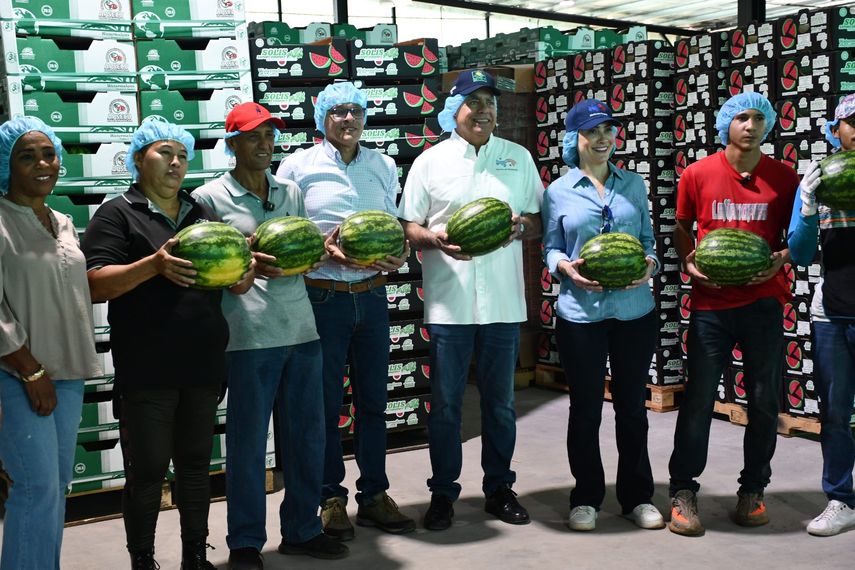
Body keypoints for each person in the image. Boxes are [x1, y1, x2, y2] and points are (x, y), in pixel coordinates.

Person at [82, 119, 252, 570]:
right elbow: (95, 284)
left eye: (182, 155)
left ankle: (195, 555)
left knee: (196, 466)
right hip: (147, 367)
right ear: (139, 158)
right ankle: (144, 559)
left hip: (202, 363)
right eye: (164, 153)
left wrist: (247, 267)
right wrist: (153, 265)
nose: (176, 163)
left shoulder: (200, 212)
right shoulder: (117, 213)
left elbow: (233, 282)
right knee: (148, 471)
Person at [193, 102, 348, 568]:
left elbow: (302, 250)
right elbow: (207, 266)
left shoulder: (290, 191)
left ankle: (302, 528)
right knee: (247, 444)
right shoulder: (209, 198)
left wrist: (325, 252)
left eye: (269, 137)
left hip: (301, 329)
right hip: (247, 335)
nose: (264, 145)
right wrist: (244, 257)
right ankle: (244, 541)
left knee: (307, 437)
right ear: (232, 143)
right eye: (253, 137)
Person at [397, 69, 542, 530]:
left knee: (500, 403)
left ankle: (499, 488)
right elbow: (408, 227)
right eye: (473, 102)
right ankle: (443, 494)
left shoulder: (517, 158)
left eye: (490, 103)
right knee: (447, 403)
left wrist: (521, 227)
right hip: (449, 303)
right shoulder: (430, 163)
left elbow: (536, 219)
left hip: (502, 303)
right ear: (453, 111)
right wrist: (435, 240)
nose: (483, 110)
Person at [276, 82, 414, 540]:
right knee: (325, 405)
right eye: (337, 112)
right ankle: (329, 496)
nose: (348, 119)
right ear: (322, 119)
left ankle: (374, 494)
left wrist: (400, 255)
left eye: (355, 110)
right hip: (323, 297)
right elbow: (283, 230)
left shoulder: (383, 164)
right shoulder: (297, 166)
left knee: (375, 403)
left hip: (373, 295)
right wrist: (323, 250)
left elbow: (393, 226)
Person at [668, 92, 799, 536]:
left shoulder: (785, 177)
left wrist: (782, 257)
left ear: (767, 126)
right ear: (727, 123)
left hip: (764, 303)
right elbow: (682, 226)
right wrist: (690, 263)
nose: (749, 124)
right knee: (699, 401)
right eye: (741, 117)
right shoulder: (698, 173)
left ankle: (753, 490)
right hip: (711, 307)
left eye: (758, 117)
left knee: (764, 402)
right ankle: (683, 492)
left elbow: (797, 236)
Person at [541, 99, 663, 532]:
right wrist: (564, 267)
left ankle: (637, 497)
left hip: (635, 312)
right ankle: (586, 497)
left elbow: (649, 241)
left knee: (633, 407)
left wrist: (649, 266)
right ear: (576, 139)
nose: (603, 138)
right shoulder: (557, 190)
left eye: (609, 129)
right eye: (593, 131)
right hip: (580, 314)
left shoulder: (634, 184)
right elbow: (550, 247)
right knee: (585, 408)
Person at [0, 117, 101, 570]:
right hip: (18, 374)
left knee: (55, 487)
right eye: (27, 156)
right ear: (7, 165)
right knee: (35, 487)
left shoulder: (61, 221)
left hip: (68, 373)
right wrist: (30, 369)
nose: (42, 164)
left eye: (48, 154)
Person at [787, 93, 855, 537]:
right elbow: (800, 252)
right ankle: (841, 499)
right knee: (834, 412)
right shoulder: (821, 179)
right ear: (837, 128)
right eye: (853, 122)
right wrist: (808, 206)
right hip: (833, 313)